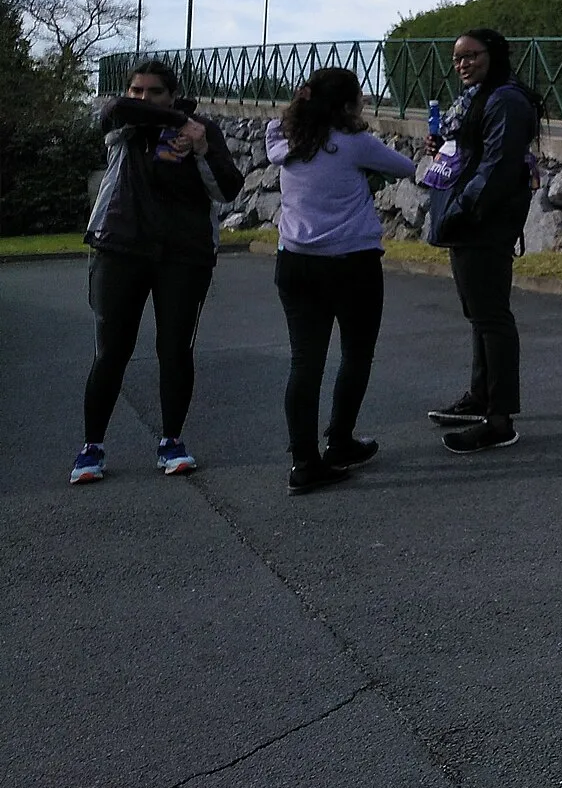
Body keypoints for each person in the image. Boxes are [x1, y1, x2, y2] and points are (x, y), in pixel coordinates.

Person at [71, 59, 244, 485]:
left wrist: (200, 144)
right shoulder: (125, 128)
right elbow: (114, 111)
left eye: (153, 91)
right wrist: (178, 117)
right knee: (111, 351)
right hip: (120, 247)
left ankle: (172, 441)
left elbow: (228, 188)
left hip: (184, 255)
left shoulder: (203, 131)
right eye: (137, 90)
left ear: (172, 92)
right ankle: (92, 447)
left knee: (175, 349)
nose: (142, 98)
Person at [267, 68, 416, 493]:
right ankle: (340, 441)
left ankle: (303, 461)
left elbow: (288, 122)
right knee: (355, 354)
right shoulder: (355, 144)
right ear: (349, 104)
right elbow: (405, 167)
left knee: (304, 362)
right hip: (353, 263)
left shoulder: (283, 139)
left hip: (296, 262)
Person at [422, 28, 540, 454]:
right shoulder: (475, 99)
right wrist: (444, 144)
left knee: (492, 317)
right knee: (479, 313)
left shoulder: (505, 99)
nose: (463, 64)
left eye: (472, 55)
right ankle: (481, 397)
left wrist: (462, 211)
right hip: (469, 217)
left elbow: (498, 165)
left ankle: (500, 418)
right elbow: (472, 152)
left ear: (494, 56)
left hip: (483, 220)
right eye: (457, 58)